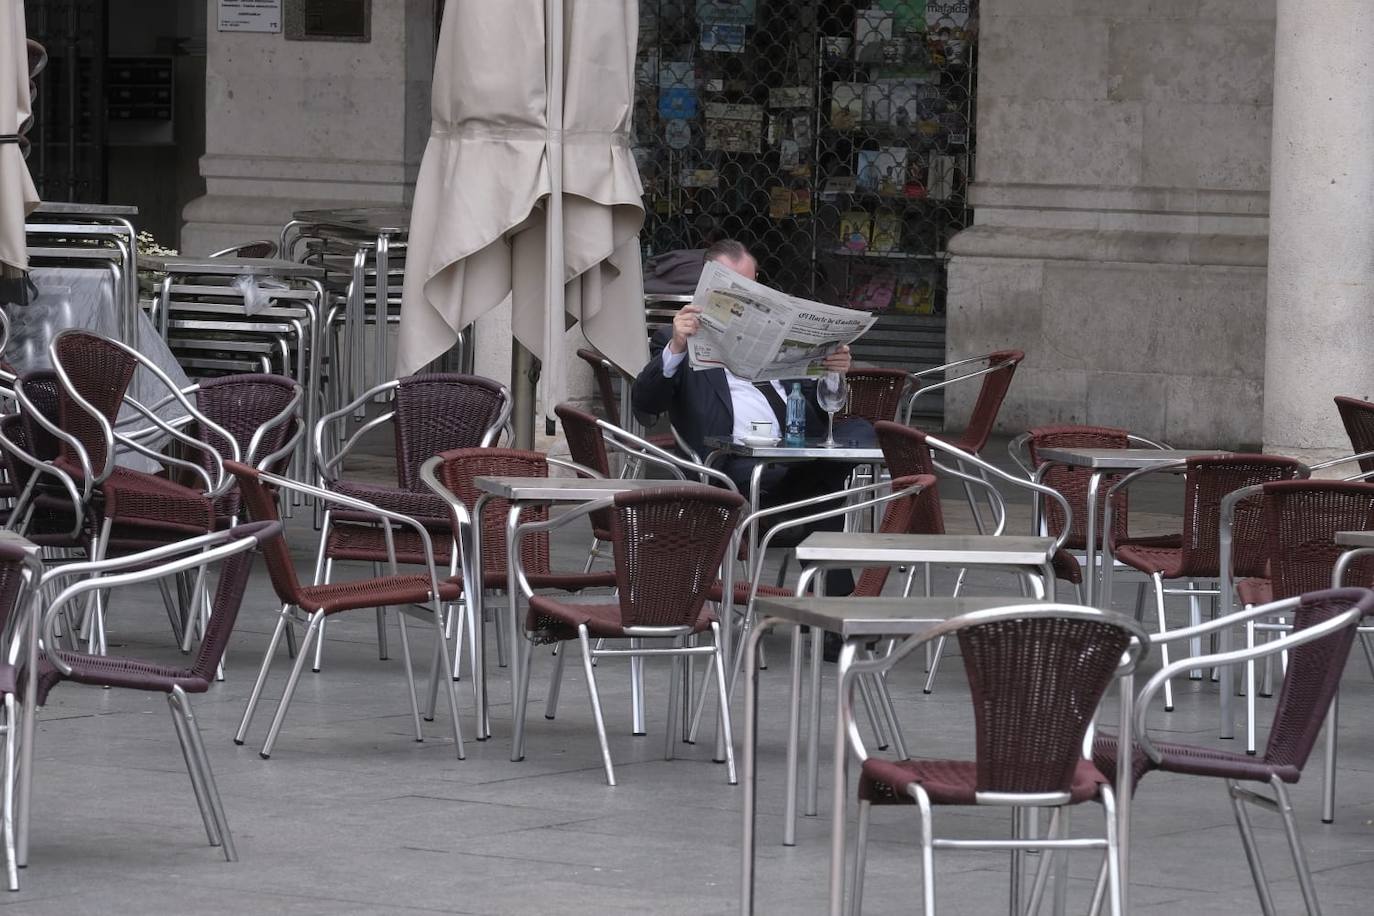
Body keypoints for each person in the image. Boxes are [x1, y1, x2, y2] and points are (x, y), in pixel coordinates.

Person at [632, 239, 871, 600]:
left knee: (862, 433)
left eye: (753, 283)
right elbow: (645, 404)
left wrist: (831, 374)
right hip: (732, 469)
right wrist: (677, 347)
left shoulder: (775, 335)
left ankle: (828, 609)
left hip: (792, 458)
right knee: (825, 495)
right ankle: (834, 613)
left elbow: (816, 417)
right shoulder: (676, 338)